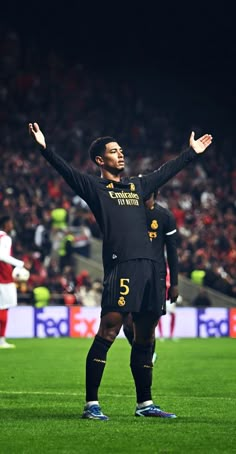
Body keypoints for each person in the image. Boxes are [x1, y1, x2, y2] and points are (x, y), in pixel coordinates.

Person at [29, 121, 212, 420]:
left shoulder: (138, 186)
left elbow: (165, 172)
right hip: (122, 266)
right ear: (101, 160)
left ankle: (145, 404)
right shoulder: (96, 188)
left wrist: (190, 153)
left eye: (121, 150)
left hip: (152, 271)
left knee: (145, 338)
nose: (121, 155)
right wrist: (45, 149)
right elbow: (67, 172)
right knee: (110, 328)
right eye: (114, 152)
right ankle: (91, 404)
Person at [123, 191, 179, 360]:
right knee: (127, 323)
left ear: (156, 191)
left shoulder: (164, 216)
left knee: (148, 325)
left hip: (156, 278)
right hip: (132, 275)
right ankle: (145, 353)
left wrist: (174, 283)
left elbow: (172, 251)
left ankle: (146, 358)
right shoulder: (131, 214)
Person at [0, 215, 25, 348]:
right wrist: (19, 263)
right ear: (5, 224)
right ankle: (2, 340)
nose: (12, 225)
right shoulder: (5, 238)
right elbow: (2, 256)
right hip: (3, 277)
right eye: (10, 223)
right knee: (4, 307)